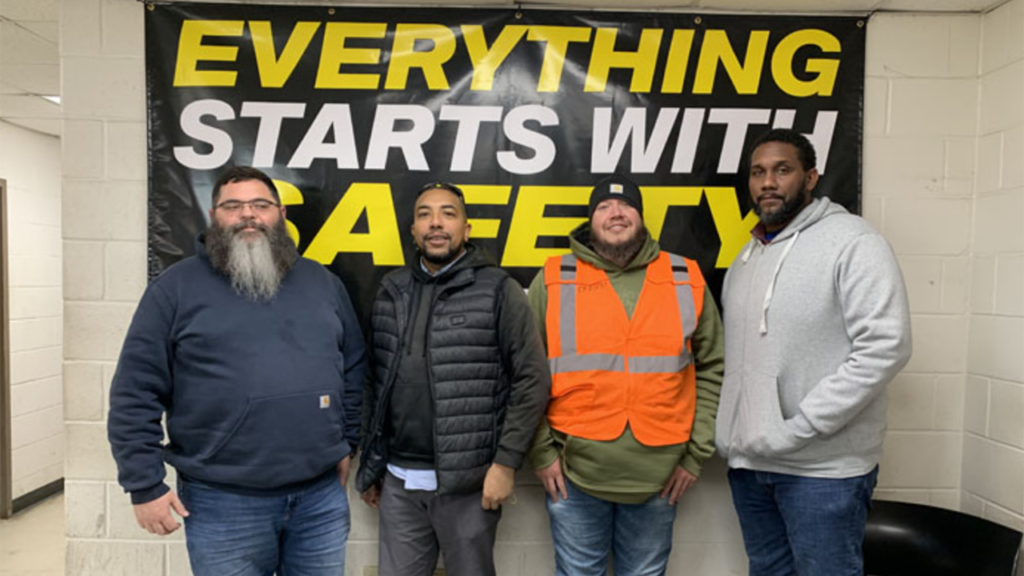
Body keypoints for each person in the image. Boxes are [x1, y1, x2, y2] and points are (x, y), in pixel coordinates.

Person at [108, 166, 366, 576]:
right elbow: (134, 392)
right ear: (215, 216)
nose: (248, 215)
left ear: (280, 214)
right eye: (233, 206)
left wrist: (346, 441)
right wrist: (144, 484)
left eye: (260, 205)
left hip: (318, 499)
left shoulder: (322, 283)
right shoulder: (174, 289)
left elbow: (353, 367)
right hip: (222, 502)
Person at [717, 128, 912, 576]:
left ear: (810, 177)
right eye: (758, 172)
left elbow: (886, 346)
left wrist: (800, 426)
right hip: (751, 465)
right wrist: (734, 434)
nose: (767, 182)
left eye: (782, 170)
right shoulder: (745, 259)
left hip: (823, 471)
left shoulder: (853, 242)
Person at [527, 174, 725, 576]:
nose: (615, 213)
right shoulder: (553, 277)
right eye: (603, 206)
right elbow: (525, 374)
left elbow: (713, 368)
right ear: (590, 219)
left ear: (641, 216)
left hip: (660, 476)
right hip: (573, 475)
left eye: (626, 206)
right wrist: (541, 451)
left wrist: (695, 455)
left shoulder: (685, 277)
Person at [356, 182, 549, 576]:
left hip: (469, 485)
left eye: (448, 213)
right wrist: (373, 465)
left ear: (466, 227)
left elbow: (532, 380)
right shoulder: (390, 291)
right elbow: (374, 383)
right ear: (413, 230)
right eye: (424, 214)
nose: (436, 223)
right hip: (398, 481)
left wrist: (506, 464)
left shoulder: (498, 289)